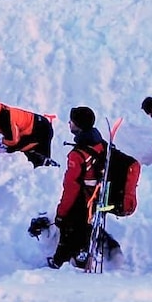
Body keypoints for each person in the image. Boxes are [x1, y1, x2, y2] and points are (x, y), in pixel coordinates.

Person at [48, 106, 110, 270]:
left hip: (81, 199)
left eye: (72, 121)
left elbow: (71, 187)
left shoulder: (78, 154)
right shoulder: (100, 143)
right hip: (95, 197)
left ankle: (58, 262)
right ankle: (82, 254)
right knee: (85, 227)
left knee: (67, 227)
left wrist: (61, 213)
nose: (69, 123)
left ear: (79, 126)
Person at [0, 95, 57, 166]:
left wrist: (3, 141)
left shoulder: (4, 118)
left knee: (16, 150)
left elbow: (14, 140)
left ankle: (45, 165)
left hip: (42, 131)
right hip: (38, 125)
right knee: (15, 148)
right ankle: (44, 162)